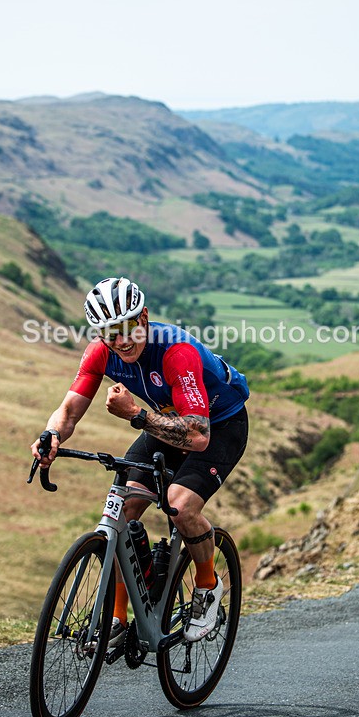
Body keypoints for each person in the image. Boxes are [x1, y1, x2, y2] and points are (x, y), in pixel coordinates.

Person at [31, 276, 249, 644]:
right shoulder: (101, 352)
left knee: (180, 506)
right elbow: (68, 412)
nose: (122, 341)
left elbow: (198, 437)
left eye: (129, 327)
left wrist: (137, 416)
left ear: (144, 316)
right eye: (109, 333)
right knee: (120, 508)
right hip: (166, 422)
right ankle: (116, 619)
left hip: (219, 427)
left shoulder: (175, 352)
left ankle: (208, 586)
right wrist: (51, 434)